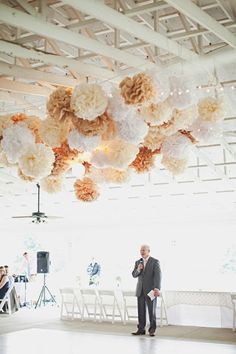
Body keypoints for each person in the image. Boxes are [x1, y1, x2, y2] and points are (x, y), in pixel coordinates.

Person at [132, 244, 161, 337]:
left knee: (151, 311)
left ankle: (152, 330)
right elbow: (134, 274)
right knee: (141, 311)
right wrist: (138, 269)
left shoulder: (155, 261)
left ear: (149, 251)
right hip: (140, 290)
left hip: (151, 290)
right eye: (141, 250)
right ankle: (141, 329)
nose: (142, 252)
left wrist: (157, 288)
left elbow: (158, 276)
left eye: (144, 250)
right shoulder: (138, 262)